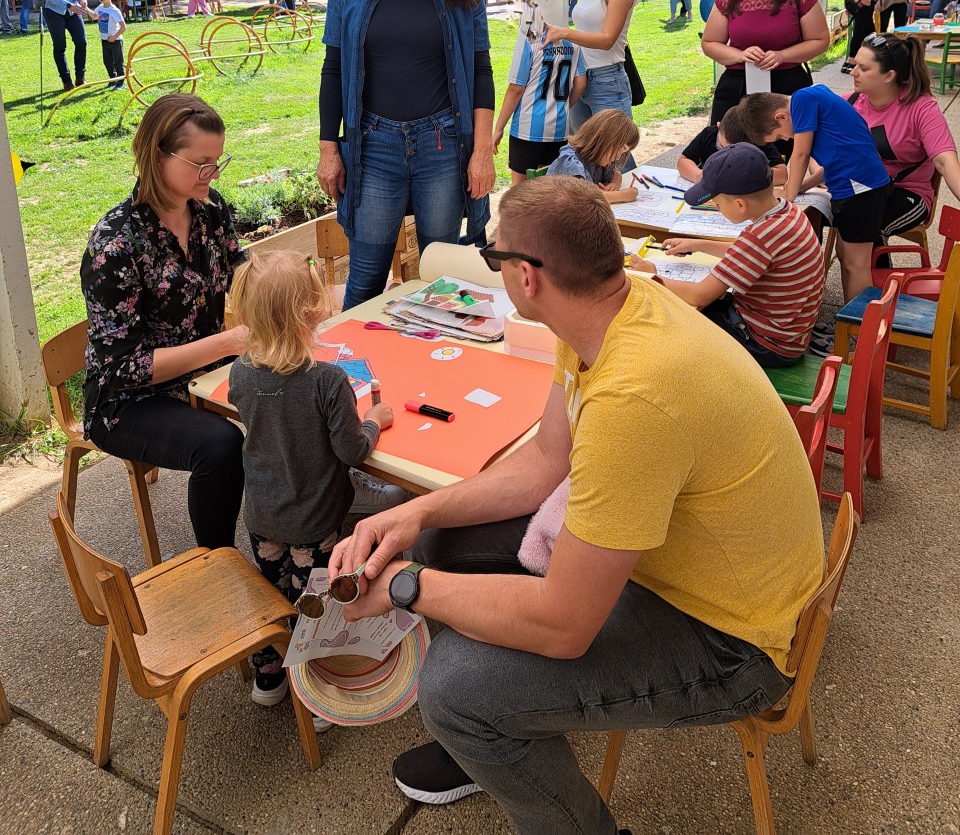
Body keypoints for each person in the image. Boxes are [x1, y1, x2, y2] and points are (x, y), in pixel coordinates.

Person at [327, 178, 825, 830]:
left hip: (737, 641)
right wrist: (415, 512)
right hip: (697, 571)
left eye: (495, 254)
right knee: (441, 541)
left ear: (527, 277)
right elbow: (543, 463)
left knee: (451, 688)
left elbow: (565, 625)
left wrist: (404, 587)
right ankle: (494, 740)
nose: (495, 265)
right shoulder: (605, 312)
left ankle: (514, 756)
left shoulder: (634, 397)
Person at [227, 251, 403, 713]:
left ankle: (269, 676)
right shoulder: (328, 381)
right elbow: (352, 452)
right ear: (312, 312)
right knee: (317, 601)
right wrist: (374, 420)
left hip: (264, 514)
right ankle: (318, 687)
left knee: (273, 595)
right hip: (316, 519)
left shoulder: (240, 373)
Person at [317, 0, 495, 308]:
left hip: (441, 144)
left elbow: (480, 70)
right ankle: (354, 356)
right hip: (373, 146)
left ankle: (439, 350)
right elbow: (333, 69)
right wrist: (328, 149)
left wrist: (482, 151)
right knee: (365, 280)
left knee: (442, 276)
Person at [80, 94, 247, 551]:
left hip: (202, 376)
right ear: (158, 156)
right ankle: (218, 563)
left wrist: (285, 290)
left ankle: (295, 538)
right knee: (221, 446)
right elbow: (124, 367)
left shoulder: (209, 210)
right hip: (127, 402)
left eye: (217, 161)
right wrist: (227, 343)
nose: (213, 174)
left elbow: (241, 271)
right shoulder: (115, 246)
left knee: (297, 392)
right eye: (201, 164)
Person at [634, 144, 824, 368]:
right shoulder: (787, 212)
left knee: (672, 321)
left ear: (740, 204)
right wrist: (698, 244)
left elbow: (699, 296)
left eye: (717, 203)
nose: (716, 207)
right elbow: (748, 253)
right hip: (786, 335)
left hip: (764, 344)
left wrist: (652, 276)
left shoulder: (759, 238)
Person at [734, 87, 890, 300]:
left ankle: (862, 321)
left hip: (861, 190)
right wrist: (803, 186)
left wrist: (788, 196)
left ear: (781, 116)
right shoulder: (814, 97)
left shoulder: (802, 100)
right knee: (845, 257)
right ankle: (849, 316)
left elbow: (801, 154)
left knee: (856, 264)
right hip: (856, 187)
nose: (786, 139)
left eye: (780, 135)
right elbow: (839, 159)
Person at [701, 0, 830, 126]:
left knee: (789, 142)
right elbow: (710, 43)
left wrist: (782, 56)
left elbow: (820, 40)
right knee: (730, 142)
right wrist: (740, 55)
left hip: (788, 86)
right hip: (738, 87)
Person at [849, 31, 960, 241]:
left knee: (866, 225)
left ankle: (871, 265)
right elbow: (815, 140)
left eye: (863, 68)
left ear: (889, 75)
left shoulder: (921, 107)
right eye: (855, 65)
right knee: (818, 214)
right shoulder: (850, 103)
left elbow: (945, 161)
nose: (853, 72)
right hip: (864, 187)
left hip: (908, 192)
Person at [542, 0, 639, 131]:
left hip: (607, 80)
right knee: (582, 148)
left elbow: (607, 39)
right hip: (581, 76)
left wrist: (564, 33)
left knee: (614, 149)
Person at [493, 0, 586, 183]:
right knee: (549, 189)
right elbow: (581, 83)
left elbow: (516, 88)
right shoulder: (573, 41)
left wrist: (498, 128)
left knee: (520, 191)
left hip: (527, 129)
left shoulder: (529, 40)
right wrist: (564, 107)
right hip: (559, 129)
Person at [546, 108, 640, 204]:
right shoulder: (570, 162)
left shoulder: (597, 157)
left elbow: (616, 173)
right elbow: (582, 198)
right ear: (604, 138)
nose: (619, 157)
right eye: (621, 149)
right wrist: (622, 196)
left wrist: (614, 183)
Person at [678, 106, 786, 185]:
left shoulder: (760, 141)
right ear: (719, 126)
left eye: (738, 151)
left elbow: (782, 174)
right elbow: (683, 160)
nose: (728, 155)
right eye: (723, 147)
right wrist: (697, 175)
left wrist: (747, 176)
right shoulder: (709, 134)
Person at [93, 0, 126, 88]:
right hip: (104, 40)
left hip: (116, 40)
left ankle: (120, 82)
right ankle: (112, 79)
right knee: (107, 62)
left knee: (118, 62)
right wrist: (85, 8)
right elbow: (94, 16)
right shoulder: (100, 7)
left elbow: (123, 27)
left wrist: (114, 37)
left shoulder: (114, 10)